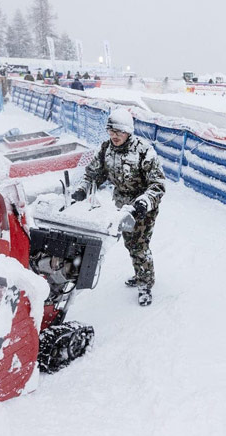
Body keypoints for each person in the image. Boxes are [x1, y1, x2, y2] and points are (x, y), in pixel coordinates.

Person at [71, 108, 167, 306]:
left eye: (119, 132)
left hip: (142, 207)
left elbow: (157, 184)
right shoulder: (106, 149)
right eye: (111, 131)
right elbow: (93, 174)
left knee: (139, 245)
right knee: (129, 243)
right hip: (121, 205)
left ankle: (145, 284)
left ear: (128, 132)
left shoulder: (144, 151)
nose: (115, 136)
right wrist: (83, 188)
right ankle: (140, 273)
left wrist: (144, 202)